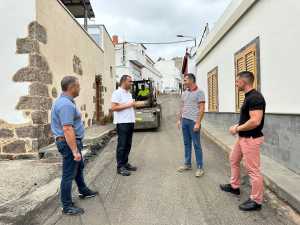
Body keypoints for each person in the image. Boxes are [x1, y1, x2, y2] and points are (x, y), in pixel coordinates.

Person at [51, 76, 98, 216]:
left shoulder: (65, 102)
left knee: (78, 168)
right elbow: (67, 129)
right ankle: (66, 206)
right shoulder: (66, 104)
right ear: (71, 87)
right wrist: (74, 151)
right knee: (68, 174)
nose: (79, 88)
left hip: (70, 142)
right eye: (78, 86)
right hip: (68, 143)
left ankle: (83, 190)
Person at [220, 71, 266, 211]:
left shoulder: (255, 98)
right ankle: (235, 187)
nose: (235, 83)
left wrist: (238, 128)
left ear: (244, 82)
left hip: (251, 139)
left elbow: (255, 121)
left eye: (237, 81)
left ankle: (256, 201)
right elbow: (248, 118)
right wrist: (238, 128)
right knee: (233, 159)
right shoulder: (248, 97)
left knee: (253, 170)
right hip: (242, 138)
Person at [176, 73, 205, 177]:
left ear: (191, 80)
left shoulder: (200, 92)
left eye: (185, 80)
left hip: (193, 121)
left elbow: (202, 109)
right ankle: (187, 164)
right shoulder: (184, 93)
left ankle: (200, 167)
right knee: (186, 144)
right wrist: (179, 120)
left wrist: (198, 122)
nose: (184, 82)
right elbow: (182, 107)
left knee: (196, 145)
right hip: (185, 121)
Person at [111, 75, 138, 176]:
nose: (131, 83)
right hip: (122, 122)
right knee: (122, 145)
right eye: (130, 81)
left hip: (130, 121)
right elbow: (113, 107)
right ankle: (120, 167)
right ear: (123, 82)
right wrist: (129, 105)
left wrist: (133, 105)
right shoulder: (117, 93)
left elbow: (129, 106)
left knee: (128, 144)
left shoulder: (128, 94)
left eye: (131, 82)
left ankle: (125, 163)